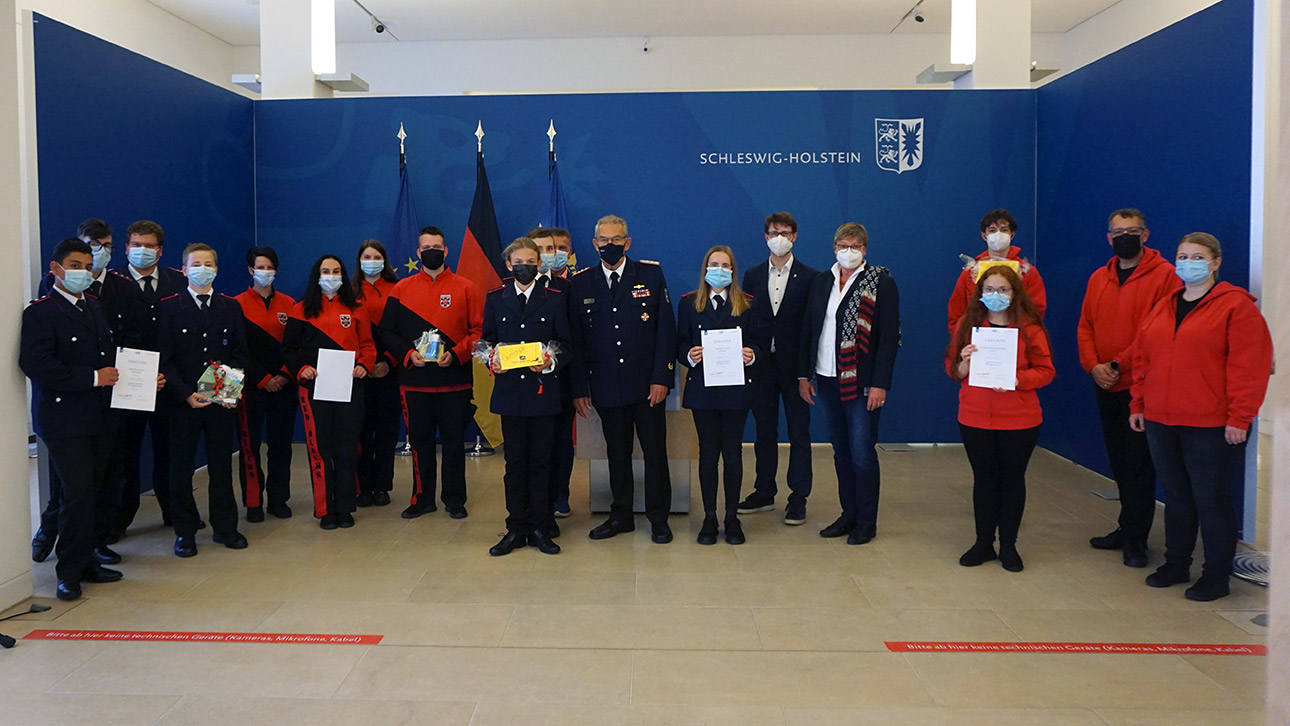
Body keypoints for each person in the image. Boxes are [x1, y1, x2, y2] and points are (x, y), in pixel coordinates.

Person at [1129, 232, 1273, 601]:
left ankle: (1216, 575)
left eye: (1197, 256)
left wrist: (1240, 417)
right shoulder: (1164, 306)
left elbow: (1249, 367)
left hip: (1211, 424)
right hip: (1162, 419)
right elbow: (1144, 359)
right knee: (1177, 496)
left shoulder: (1235, 307)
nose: (1187, 262)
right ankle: (1176, 563)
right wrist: (1139, 404)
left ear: (1214, 263)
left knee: (1212, 499)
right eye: (1182, 255)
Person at [20, 239, 133, 599]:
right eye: (74, 265)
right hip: (63, 420)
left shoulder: (95, 307)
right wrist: (93, 378)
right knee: (77, 494)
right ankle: (67, 571)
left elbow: (110, 356)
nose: (82, 272)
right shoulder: (40, 312)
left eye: (86, 266)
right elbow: (37, 365)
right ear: (55, 269)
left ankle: (87, 562)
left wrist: (142, 377)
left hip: (100, 416)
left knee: (97, 491)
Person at [1077, 209, 1181, 567]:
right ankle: (1125, 527)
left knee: (1139, 466)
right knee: (1119, 462)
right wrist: (1094, 366)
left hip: (1141, 386)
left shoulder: (1166, 276)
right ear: (1108, 238)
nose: (1125, 237)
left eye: (1132, 231)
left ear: (1145, 235)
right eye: (1118, 232)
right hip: (1105, 384)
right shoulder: (1098, 278)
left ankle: (1137, 541)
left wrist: (1119, 364)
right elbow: (1085, 326)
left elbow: (1156, 332)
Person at [569, 214, 678, 544]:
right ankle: (621, 516)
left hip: (647, 387)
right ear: (594, 244)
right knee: (617, 453)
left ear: (628, 243)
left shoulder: (650, 275)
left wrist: (662, 378)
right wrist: (579, 389)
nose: (611, 245)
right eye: (604, 240)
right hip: (605, 386)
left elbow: (665, 334)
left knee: (655, 453)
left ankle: (659, 518)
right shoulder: (582, 282)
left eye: (617, 240)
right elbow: (576, 341)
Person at [948, 266, 1055, 573]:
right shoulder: (967, 327)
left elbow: (1046, 371)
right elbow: (951, 369)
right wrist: (964, 365)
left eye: (1004, 290)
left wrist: (1015, 378)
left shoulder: (1031, 328)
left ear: (1015, 293)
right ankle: (983, 543)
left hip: (1020, 419)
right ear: (980, 294)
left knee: (1011, 480)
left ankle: (1008, 544)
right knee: (983, 480)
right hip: (975, 416)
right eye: (990, 290)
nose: (996, 296)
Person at [799, 223, 900, 545]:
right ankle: (848, 514)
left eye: (856, 246)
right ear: (834, 247)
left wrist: (880, 384)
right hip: (826, 378)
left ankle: (866, 522)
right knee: (840, 452)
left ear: (865, 249)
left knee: (861, 453)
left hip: (862, 383)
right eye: (844, 245)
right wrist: (804, 375)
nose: (849, 251)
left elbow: (888, 338)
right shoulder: (822, 281)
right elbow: (809, 329)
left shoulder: (881, 282)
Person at [378, 226, 484, 520]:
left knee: (453, 443)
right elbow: (387, 332)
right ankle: (422, 498)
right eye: (426, 248)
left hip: (455, 382)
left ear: (446, 250)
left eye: (437, 246)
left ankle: (454, 499)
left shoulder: (467, 287)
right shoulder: (401, 289)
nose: (431, 252)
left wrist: (458, 353)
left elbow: (479, 331)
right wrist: (408, 355)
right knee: (420, 443)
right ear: (418, 252)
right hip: (415, 383)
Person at [157, 243, 250, 558]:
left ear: (217, 269)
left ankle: (226, 528)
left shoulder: (230, 307)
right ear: (184, 269)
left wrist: (222, 392)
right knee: (180, 468)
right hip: (182, 403)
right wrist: (186, 393)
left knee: (222, 466)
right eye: (195, 263)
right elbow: (165, 358)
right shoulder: (169, 307)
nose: (202, 268)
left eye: (208, 263)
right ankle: (185, 532)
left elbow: (238, 353)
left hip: (220, 401)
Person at [482, 237, 571, 556]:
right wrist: (490, 360)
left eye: (531, 262)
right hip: (510, 395)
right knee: (515, 463)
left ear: (539, 264)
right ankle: (515, 527)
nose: (525, 267)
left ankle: (541, 525)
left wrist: (550, 361)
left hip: (543, 393)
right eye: (518, 262)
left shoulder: (555, 298)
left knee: (542, 462)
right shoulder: (495, 297)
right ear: (508, 265)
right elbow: (485, 342)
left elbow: (566, 343)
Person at [284, 255, 376, 530]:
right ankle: (326, 509)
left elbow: (368, 345)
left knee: (347, 447)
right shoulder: (301, 310)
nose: (331, 275)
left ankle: (346, 506)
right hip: (315, 388)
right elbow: (288, 349)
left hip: (350, 386)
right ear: (317, 275)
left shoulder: (357, 308)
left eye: (336, 271)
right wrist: (301, 369)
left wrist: (363, 365)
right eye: (326, 271)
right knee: (321, 448)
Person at [738, 212, 818, 525]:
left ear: (795, 236)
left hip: (795, 368)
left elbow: (811, 327)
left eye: (784, 232)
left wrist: (806, 373)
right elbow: (747, 320)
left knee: (799, 432)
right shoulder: (754, 275)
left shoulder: (811, 276)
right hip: (761, 366)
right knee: (764, 433)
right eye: (773, 232)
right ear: (766, 237)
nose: (779, 237)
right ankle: (764, 491)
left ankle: (798, 497)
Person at [677, 245, 761, 545]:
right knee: (708, 454)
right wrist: (689, 354)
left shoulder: (748, 303)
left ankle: (732, 518)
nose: (720, 270)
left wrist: (752, 355)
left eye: (726, 265)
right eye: (714, 264)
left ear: (733, 271)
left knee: (733, 454)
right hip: (704, 391)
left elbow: (759, 342)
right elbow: (680, 343)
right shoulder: (689, 303)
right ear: (705, 268)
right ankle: (710, 518)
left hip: (736, 391)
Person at [113, 220, 188, 540]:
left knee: (172, 452)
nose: (142, 251)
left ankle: (177, 514)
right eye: (136, 245)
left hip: (172, 383)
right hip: (128, 384)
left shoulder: (178, 281)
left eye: (149, 246)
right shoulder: (112, 284)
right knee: (126, 454)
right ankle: (119, 519)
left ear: (160, 250)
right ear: (127, 248)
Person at [234, 246, 297, 522]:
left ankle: (278, 499)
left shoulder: (290, 304)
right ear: (250, 270)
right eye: (260, 267)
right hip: (251, 388)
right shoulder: (235, 305)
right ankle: (253, 502)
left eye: (270, 267)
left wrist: (283, 374)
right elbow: (237, 351)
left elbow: (296, 346)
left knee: (281, 445)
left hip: (285, 385)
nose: (266, 272)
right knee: (250, 447)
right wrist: (261, 379)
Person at [529, 226, 575, 522]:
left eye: (553, 249)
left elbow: (575, 339)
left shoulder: (569, 289)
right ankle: (531, 501)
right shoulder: (510, 289)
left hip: (561, 379)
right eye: (542, 249)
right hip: (523, 385)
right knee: (530, 446)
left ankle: (559, 495)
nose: (549, 254)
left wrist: (553, 361)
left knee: (560, 442)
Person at [354, 239, 401, 508]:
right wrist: (363, 364)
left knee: (386, 431)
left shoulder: (398, 290)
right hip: (358, 371)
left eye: (376, 256)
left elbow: (403, 332)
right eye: (366, 256)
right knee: (361, 431)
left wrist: (389, 362)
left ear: (385, 261)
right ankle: (363, 486)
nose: (371, 261)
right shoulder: (348, 292)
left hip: (388, 370)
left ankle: (383, 486)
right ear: (359, 261)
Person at [947, 209, 1047, 334]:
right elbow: (956, 313)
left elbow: (1036, 312)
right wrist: (962, 341)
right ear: (984, 235)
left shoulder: (1027, 273)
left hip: (1017, 341)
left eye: (1004, 230)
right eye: (992, 230)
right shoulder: (970, 273)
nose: (998, 235)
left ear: (1012, 234)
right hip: (976, 343)